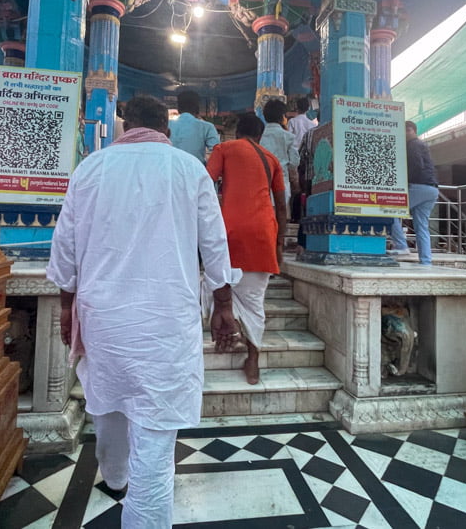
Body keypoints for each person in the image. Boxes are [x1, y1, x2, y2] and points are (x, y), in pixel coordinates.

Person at [47, 95, 239, 527]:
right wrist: (223, 305)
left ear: (124, 124)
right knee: (154, 435)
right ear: (165, 132)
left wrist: (65, 305)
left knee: (109, 405)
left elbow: (65, 246)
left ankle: (115, 477)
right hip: (165, 321)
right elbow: (214, 245)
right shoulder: (189, 170)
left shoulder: (90, 169)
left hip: (103, 317)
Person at [206, 112, 287, 385]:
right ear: (260, 136)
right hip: (263, 235)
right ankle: (253, 359)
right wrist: (279, 245)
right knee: (254, 302)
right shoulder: (272, 160)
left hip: (228, 234)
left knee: (216, 287)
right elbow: (282, 207)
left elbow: (205, 185)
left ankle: (229, 330)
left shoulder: (224, 149)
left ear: (237, 131)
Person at [389, 121, 440, 265]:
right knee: (421, 226)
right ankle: (426, 261)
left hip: (419, 186)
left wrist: (403, 183)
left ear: (410, 130)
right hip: (432, 189)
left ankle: (401, 246)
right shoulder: (422, 145)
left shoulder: (413, 145)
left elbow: (417, 165)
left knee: (389, 211)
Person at [258, 99, 300, 211]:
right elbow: (295, 161)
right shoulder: (288, 136)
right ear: (282, 116)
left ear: (265, 116)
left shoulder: (258, 137)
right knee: (278, 213)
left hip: (261, 180)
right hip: (282, 180)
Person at [169, 90, 219, 162]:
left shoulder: (166, 125)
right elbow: (217, 152)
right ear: (197, 107)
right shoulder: (207, 127)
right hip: (197, 170)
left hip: (171, 169)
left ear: (178, 108)